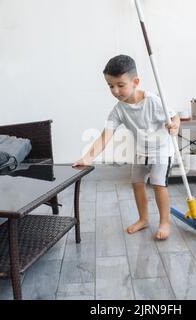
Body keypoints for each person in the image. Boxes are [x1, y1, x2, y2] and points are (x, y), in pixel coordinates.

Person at [73, 55, 180, 240]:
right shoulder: (119, 110)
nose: (115, 91)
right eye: (110, 86)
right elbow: (105, 136)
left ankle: (164, 222)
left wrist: (175, 125)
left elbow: (174, 116)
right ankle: (143, 219)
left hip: (161, 150)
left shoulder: (153, 101)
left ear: (135, 81)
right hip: (141, 151)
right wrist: (87, 158)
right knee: (137, 183)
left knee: (157, 184)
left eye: (120, 85)